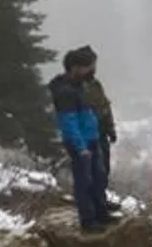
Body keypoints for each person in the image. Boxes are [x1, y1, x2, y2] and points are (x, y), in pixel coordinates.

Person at [48, 49, 111, 232]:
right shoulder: (66, 92)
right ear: (75, 68)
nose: (92, 70)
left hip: (92, 139)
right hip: (81, 144)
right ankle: (89, 221)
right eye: (89, 67)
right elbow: (69, 122)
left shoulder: (79, 86)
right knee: (85, 182)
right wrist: (80, 147)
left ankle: (102, 214)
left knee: (98, 178)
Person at [74, 45, 120, 212]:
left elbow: (105, 107)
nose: (94, 68)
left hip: (101, 134)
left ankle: (101, 200)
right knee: (91, 172)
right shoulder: (75, 86)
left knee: (103, 171)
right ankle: (92, 205)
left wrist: (111, 129)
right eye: (92, 64)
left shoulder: (96, 85)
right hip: (87, 136)